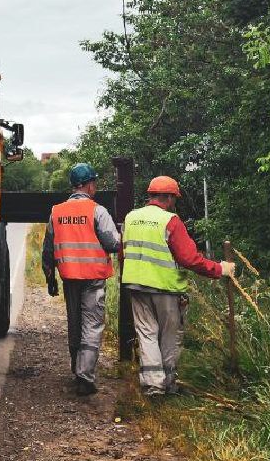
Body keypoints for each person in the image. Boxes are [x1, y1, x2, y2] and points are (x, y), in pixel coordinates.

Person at [120, 175, 236, 396]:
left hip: (135, 285)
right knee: (169, 337)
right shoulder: (170, 221)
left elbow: (122, 253)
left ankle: (153, 385)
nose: (175, 203)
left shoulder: (130, 218)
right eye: (174, 198)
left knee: (146, 334)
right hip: (167, 288)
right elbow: (189, 259)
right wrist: (221, 269)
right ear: (169, 197)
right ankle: (169, 384)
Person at [41, 163, 121, 396]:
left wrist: (50, 277)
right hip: (93, 278)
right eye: (94, 182)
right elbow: (113, 244)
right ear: (88, 185)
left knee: (74, 324)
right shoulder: (98, 211)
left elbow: (48, 249)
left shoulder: (56, 212)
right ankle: (85, 376)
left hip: (69, 277)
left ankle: (76, 370)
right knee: (92, 325)